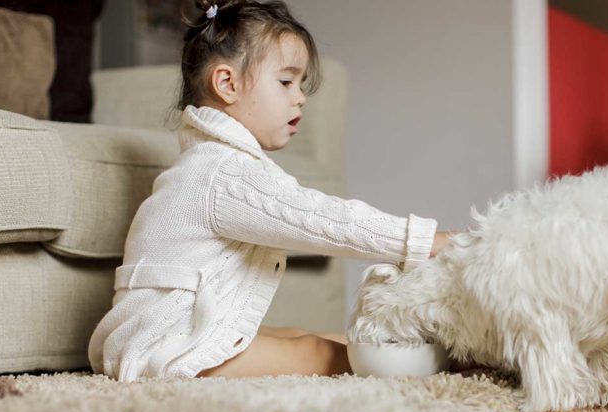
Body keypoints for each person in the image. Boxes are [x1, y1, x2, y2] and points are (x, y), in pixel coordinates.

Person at [87, 0, 455, 382]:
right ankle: (447, 361)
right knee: (314, 351)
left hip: (157, 339)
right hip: (166, 349)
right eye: (285, 82)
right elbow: (321, 219)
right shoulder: (221, 171)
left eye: (301, 84)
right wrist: (425, 241)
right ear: (227, 83)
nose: (300, 97)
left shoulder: (210, 161)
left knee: (301, 335)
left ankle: (429, 350)